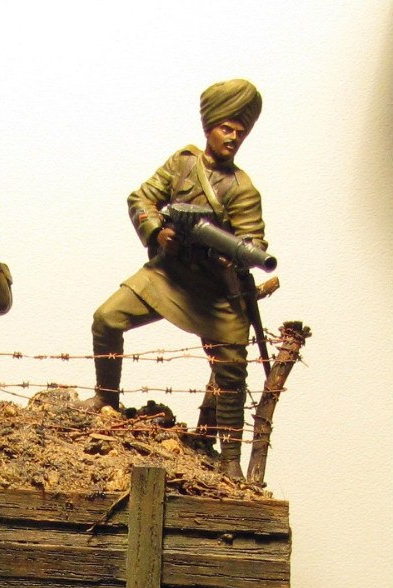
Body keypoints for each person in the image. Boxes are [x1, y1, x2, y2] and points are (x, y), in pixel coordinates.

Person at [90, 79, 268, 480]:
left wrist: (237, 254)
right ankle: (106, 400)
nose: (233, 137)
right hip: (168, 275)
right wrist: (157, 232)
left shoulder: (243, 190)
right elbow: (141, 198)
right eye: (226, 128)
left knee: (232, 367)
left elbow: (254, 241)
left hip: (214, 289)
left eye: (240, 131)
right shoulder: (182, 163)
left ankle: (229, 458)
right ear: (209, 127)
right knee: (107, 318)